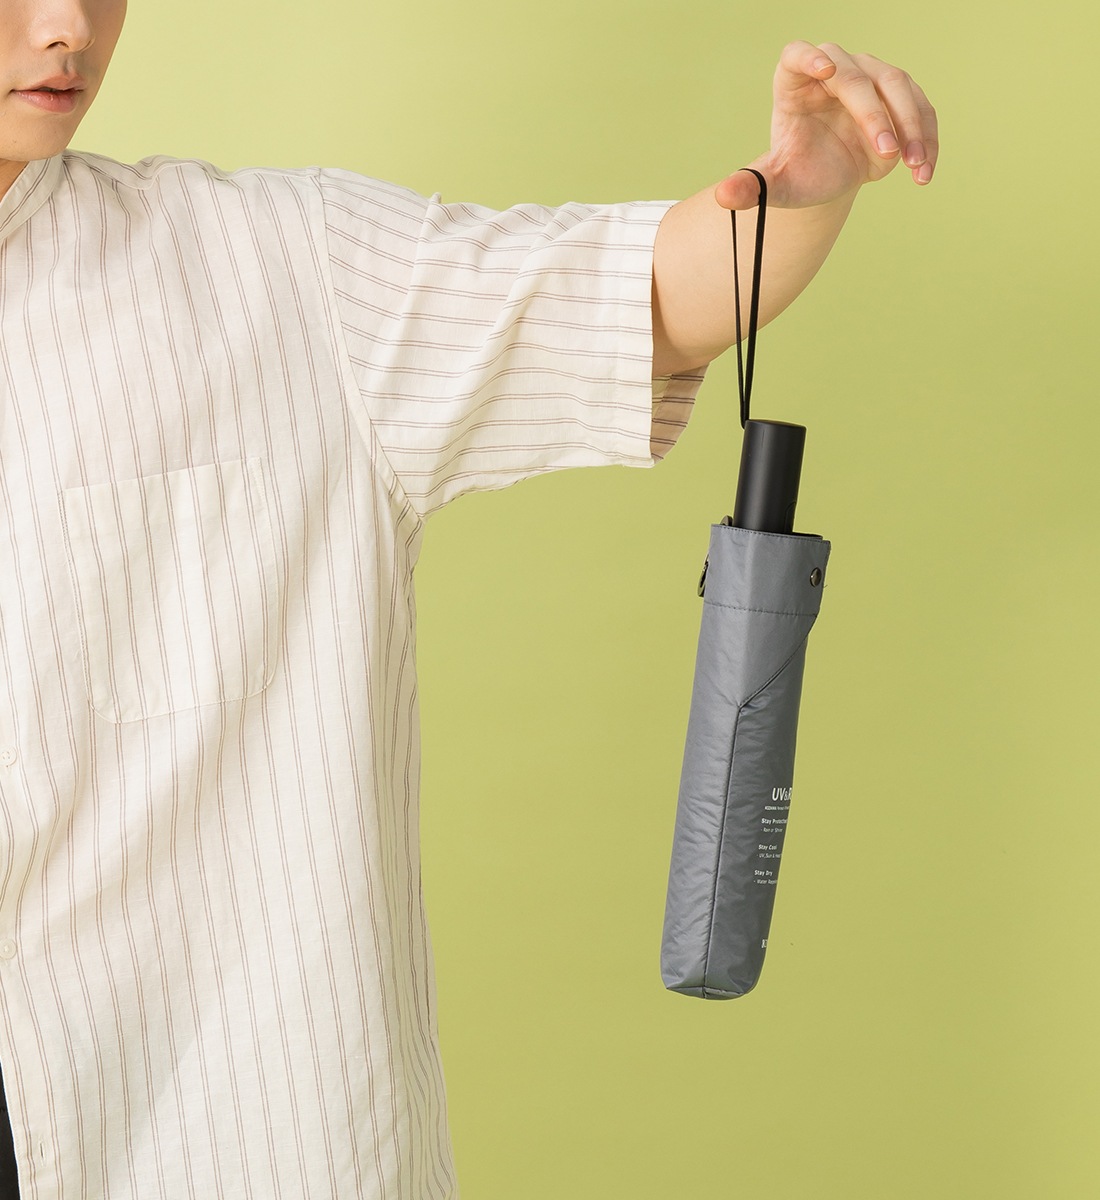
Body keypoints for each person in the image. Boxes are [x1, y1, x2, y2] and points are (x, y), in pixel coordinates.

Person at [0, 0, 938, 1195]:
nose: (68, 25)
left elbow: (638, 298)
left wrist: (807, 181)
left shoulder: (279, 272)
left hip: (209, 1131)